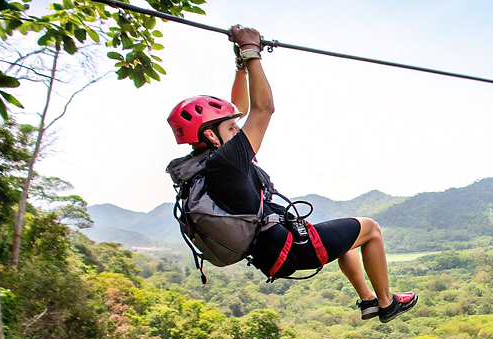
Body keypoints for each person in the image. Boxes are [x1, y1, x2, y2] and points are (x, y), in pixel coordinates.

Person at [166, 25, 416, 323]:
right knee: (371, 229)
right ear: (212, 135)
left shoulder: (206, 165)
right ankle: (387, 303)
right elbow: (263, 108)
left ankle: (368, 300)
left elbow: (239, 109)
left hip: (271, 252)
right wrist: (251, 51)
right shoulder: (228, 162)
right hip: (287, 248)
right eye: (231, 127)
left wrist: (241, 68)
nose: (238, 128)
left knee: (347, 238)